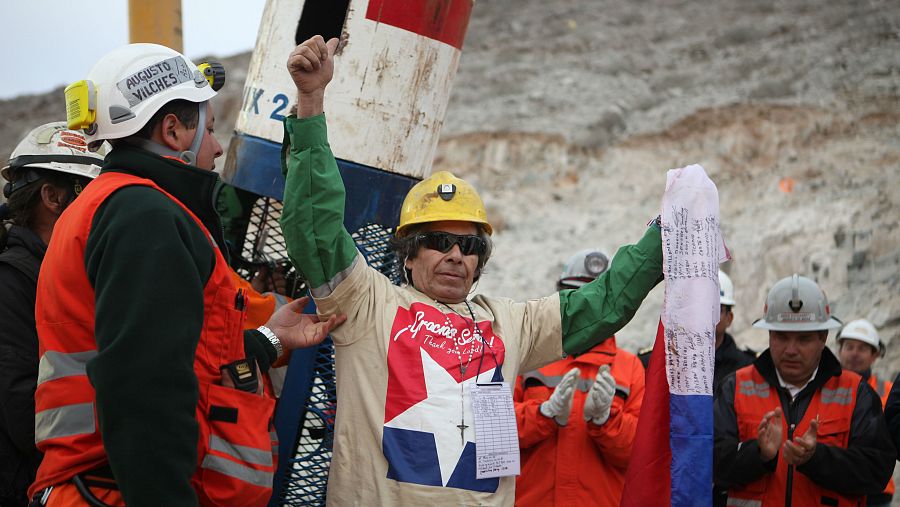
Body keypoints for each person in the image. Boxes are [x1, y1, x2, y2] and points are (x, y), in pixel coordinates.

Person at [280, 35, 664, 505]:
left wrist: (662, 238)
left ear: (480, 259)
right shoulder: (367, 301)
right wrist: (311, 103)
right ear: (409, 254)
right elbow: (315, 228)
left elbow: (603, 304)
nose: (456, 255)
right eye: (439, 242)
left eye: (469, 245)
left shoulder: (510, 324)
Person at [29, 44, 344, 507]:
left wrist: (268, 340)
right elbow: (144, 387)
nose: (216, 147)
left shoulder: (112, 206)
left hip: (103, 487)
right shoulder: (144, 215)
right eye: (210, 129)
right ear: (173, 130)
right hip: (116, 492)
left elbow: (183, 356)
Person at [714, 274, 895, 506]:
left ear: (823, 338)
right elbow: (710, 462)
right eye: (781, 337)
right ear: (769, 335)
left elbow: (877, 470)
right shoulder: (735, 387)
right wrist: (757, 454)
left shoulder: (857, 393)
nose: (791, 349)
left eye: (803, 339)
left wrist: (817, 458)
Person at [0, 123, 106, 507]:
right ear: (52, 197)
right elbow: (27, 418)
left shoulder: (66, 276)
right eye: (92, 195)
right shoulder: (12, 282)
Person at [513, 249, 645, 507]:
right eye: (579, 298)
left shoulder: (630, 367)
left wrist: (607, 420)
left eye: (599, 301)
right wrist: (543, 414)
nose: (589, 311)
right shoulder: (527, 357)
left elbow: (641, 453)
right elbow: (493, 437)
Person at [836, 318, 895, 507]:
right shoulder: (824, 389)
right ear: (840, 350)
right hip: (833, 487)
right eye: (849, 347)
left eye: (862, 348)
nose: (854, 353)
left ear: (874, 355)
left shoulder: (889, 392)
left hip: (876, 492)